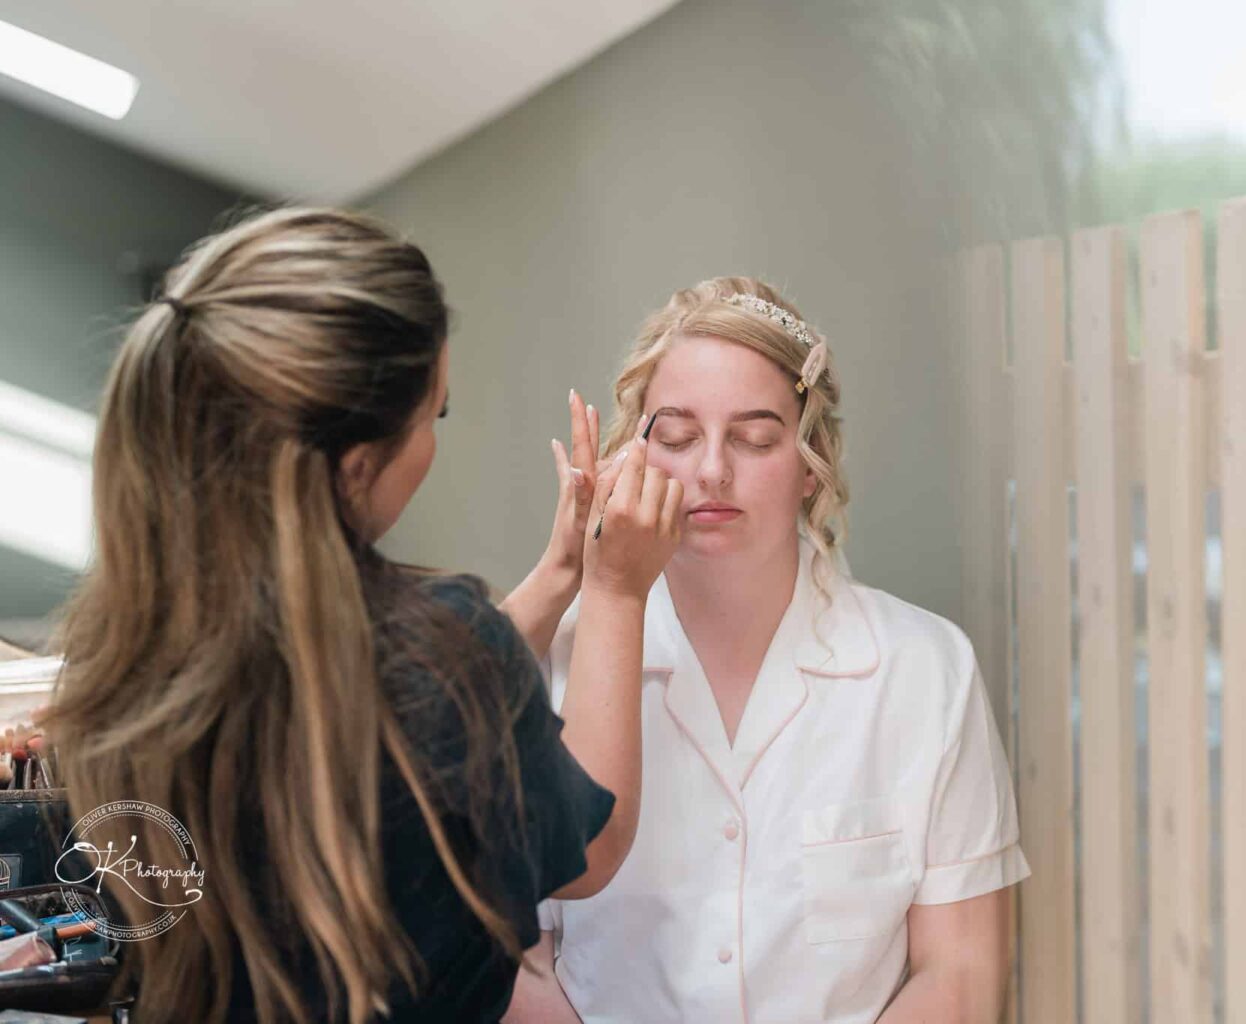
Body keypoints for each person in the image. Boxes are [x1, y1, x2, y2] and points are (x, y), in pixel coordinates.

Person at [42, 207, 683, 1023]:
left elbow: (404, 701)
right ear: (354, 468)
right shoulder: (439, 651)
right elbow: (592, 842)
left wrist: (559, 575)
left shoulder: (124, 651)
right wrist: (616, 589)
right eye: (434, 415)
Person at [509, 278, 1029, 1023]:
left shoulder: (925, 669)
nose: (712, 471)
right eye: (678, 437)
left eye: (754, 439)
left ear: (811, 462)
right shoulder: (546, 665)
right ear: (636, 454)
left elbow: (963, 970)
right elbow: (511, 961)